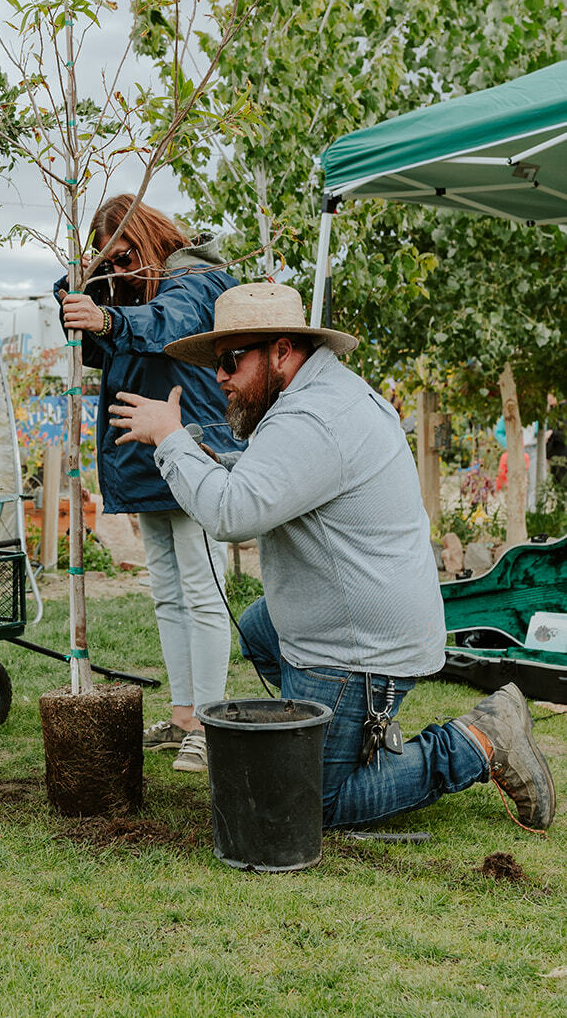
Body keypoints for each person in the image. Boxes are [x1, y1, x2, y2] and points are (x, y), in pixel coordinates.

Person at [107, 281, 556, 831]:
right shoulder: (315, 398)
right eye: (216, 364)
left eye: (230, 360)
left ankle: (480, 739)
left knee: (313, 804)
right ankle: (350, 736)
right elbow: (272, 474)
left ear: (281, 351)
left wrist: (172, 439)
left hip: (356, 646)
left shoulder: (313, 420)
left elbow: (232, 515)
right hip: (358, 618)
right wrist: (202, 451)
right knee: (258, 630)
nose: (218, 376)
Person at [55, 195, 244, 773]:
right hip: (144, 453)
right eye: (109, 259)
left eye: (125, 254)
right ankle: (185, 716)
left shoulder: (194, 279)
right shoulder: (130, 290)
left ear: (147, 237)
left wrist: (110, 316)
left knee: (203, 592)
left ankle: (210, 725)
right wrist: (81, 285)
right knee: (168, 591)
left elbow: (173, 324)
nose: (118, 268)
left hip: (190, 446)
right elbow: (94, 348)